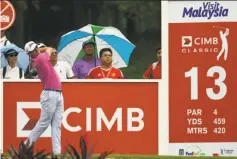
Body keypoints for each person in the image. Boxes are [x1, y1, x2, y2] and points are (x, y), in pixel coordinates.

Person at [24, 42, 64, 154]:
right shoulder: (40, 57)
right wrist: (43, 49)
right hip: (50, 94)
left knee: (57, 125)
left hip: (58, 93)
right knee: (43, 123)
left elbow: (50, 50)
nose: (34, 53)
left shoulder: (37, 59)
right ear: (30, 53)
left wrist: (40, 48)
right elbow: (51, 48)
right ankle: (26, 146)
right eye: (32, 52)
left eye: (35, 50)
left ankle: (57, 153)